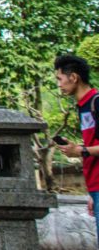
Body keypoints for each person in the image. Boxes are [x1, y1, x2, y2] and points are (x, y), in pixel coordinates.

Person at [53, 54, 98, 238]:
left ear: (74, 77)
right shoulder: (83, 106)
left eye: (60, 79)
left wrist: (81, 150)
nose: (59, 84)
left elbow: (89, 149)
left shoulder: (96, 101)